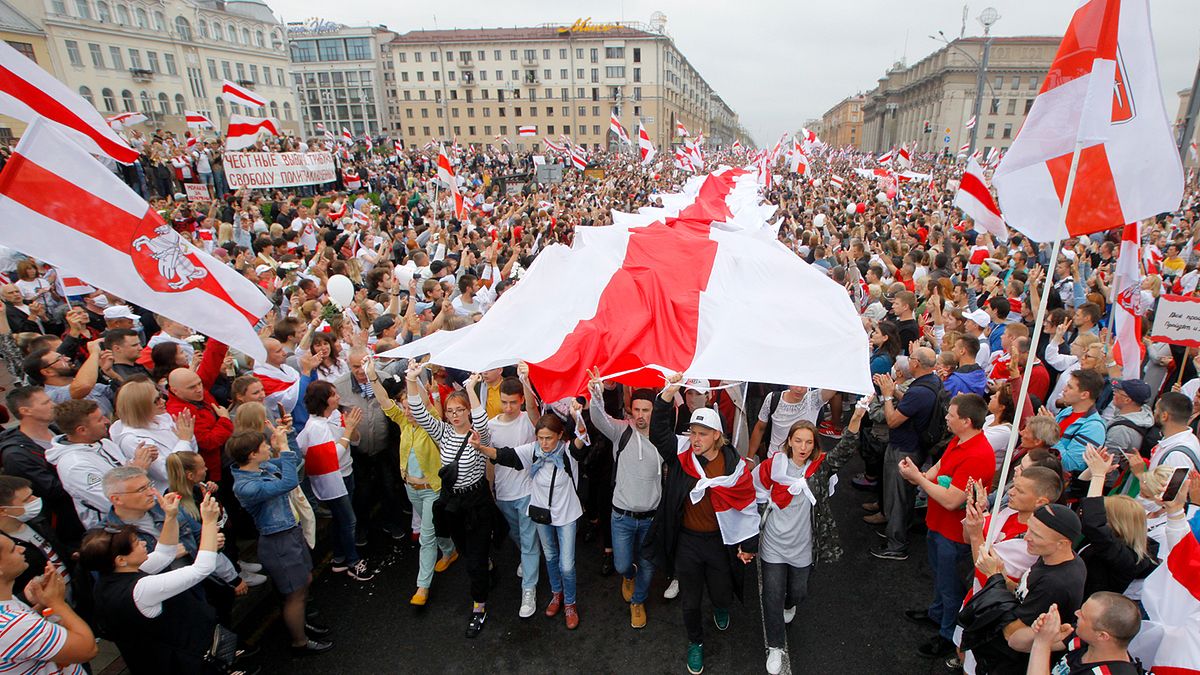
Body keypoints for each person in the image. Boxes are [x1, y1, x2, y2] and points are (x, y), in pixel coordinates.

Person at [646, 373, 758, 675]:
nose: (695, 439)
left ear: (717, 436)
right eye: (692, 432)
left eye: (702, 434)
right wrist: (668, 394)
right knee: (691, 601)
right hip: (688, 542)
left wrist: (748, 545)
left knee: (722, 592)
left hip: (720, 543)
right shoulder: (681, 454)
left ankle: (721, 606)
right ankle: (695, 642)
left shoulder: (733, 465)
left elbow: (746, 503)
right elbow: (658, 432)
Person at [754, 405, 868, 675]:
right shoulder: (773, 466)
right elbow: (755, 488)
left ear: (814, 445)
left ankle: (790, 604)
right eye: (798, 441)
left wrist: (855, 418)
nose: (803, 447)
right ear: (789, 442)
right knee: (771, 596)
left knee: (798, 591)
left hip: (803, 546)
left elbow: (844, 451)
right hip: (772, 544)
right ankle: (776, 647)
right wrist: (760, 511)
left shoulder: (820, 469)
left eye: (808, 442)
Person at [80, 490, 234, 673]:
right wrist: (208, 522)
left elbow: (164, 553)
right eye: (136, 543)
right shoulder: (140, 589)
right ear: (121, 560)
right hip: (177, 663)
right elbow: (201, 569)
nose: (144, 544)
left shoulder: (111, 578)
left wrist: (170, 516)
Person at [897, 393, 997, 657]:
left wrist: (918, 480)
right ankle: (937, 614)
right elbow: (940, 468)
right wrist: (920, 475)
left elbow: (953, 500)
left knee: (951, 588)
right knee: (942, 580)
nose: (946, 418)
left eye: (950, 415)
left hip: (953, 533)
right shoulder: (960, 440)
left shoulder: (977, 454)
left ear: (965, 421)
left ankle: (946, 635)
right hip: (939, 524)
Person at [471, 409, 589, 630]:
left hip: (567, 515)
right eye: (540, 438)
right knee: (551, 557)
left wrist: (578, 414)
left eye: (549, 438)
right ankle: (556, 595)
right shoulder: (533, 451)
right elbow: (505, 455)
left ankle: (570, 604)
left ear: (560, 435)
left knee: (566, 564)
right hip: (541, 513)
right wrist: (480, 447)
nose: (544, 443)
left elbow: (581, 438)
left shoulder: (568, 452)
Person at [404, 361, 496, 638]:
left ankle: (479, 606)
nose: (455, 415)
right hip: (455, 506)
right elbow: (419, 411)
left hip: (477, 501)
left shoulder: (479, 433)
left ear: (468, 411)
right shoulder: (442, 433)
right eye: (450, 411)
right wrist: (411, 380)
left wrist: (470, 387)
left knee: (474, 562)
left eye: (460, 410)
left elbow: (479, 415)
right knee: (467, 552)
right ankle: (484, 564)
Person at [361, 357, 455, 607]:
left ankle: (422, 587)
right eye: (404, 407)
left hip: (431, 490)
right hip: (411, 489)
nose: (407, 411)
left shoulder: (431, 423)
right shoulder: (403, 423)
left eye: (411, 407)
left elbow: (423, 400)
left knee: (426, 537)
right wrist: (371, 376)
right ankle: (450, 550)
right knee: (433, 528)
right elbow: (383, 402)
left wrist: (412, 379)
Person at [229, 428, 332, 655]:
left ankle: (300, 623)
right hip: (279, 542)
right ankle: (299, 641)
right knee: (295, 593)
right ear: (252, 455)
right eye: (263, 446)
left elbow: (293, 467)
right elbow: (288, 482)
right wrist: (283, 449)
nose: (268, 447)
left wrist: (286, 444)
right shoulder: (246, 486)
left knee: (303, 581)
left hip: (290, 533)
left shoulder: (263, 467)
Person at [975, 503, 1088, 674]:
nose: (1026, 537)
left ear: (1062, 543)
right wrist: (1002, 574)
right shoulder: (1052, 557)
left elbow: (1011, 633)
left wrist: (994, 577)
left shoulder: (1055, 584)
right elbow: (1024, 592)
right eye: (1029, 529)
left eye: (1036, 535)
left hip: (1010, 663)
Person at [588, 373, 660, 630]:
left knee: (649, 566)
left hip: (651, 518)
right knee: (621, 564)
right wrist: (596, 395)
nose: (640, 415)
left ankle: (638, 602)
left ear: (655, 411)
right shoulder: (621, 431)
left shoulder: (663, 439)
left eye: (646, 410)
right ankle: (628, 576)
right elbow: (598, 418)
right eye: (637, 409)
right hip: (621, 517)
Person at [295, 380, 373, 582]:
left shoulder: (336, 415)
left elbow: (352, 440)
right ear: (323, 401)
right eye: (333, 394)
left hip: (346, 473)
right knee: (349, 520)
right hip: (333, 481)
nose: (338, 397)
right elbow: (333, 456)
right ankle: (353, 562)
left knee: (340, 519)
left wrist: (351, 429)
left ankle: (339, 558)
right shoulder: (316, 428)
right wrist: (348, 431)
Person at [871, 347, 941, 560]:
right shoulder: (932, 383)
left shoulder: (919, 391)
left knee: (897, 496)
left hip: (904, 449)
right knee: (903, 496)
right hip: (915, 447)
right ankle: (897, 529)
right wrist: (896, 390)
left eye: (910, 358)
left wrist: (887, 397)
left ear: (916, 364)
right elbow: (911, 403)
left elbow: (892, 420)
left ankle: (896, 544)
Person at [485, 365, 542, 619]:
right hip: (504, 493)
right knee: (517, 535)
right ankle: (530, 558)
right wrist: (490, 487)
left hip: (528, 491)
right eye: (505, 402)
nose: (508, 407)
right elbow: (489, 460)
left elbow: (533, 409)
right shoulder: (491, 426)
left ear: (520, 400)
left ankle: (528, 590)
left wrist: (525, 379)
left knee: (528, 542)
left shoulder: (527, 420)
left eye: (513, 403)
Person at [0, 532, 96, 674]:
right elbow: (87, 649)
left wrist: (42, 602)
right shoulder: (14, 624)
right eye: (13, 549)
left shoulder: (8, 606)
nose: (22, 549)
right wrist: (56, 603)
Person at [0, 386, 85, 546]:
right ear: (26, 411)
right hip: (68, 526)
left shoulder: (56, 430)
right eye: (45, 402)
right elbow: (52, 490)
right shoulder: (17, 455)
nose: (53, 404)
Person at [48, 399, 152, 528]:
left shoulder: (104, 443)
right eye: (99, 419)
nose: (107, 421)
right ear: (82, 430)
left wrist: (139, 459)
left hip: (144, 514)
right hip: (121, 528)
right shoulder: (75, 466)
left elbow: (121, 470)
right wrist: (138, 470)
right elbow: (110, 502)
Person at [109, 377, 196, 492]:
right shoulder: (131, 439)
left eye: (160, 396)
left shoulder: (161, 418)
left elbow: (193, 451)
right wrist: (184, 440)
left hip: (189, 484)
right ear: (140, 406)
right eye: (156, 401)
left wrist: (187, 437)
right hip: (170, 494)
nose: (163, 401)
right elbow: (166, 472)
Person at [165, 340, 234, 483]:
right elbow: (208, 442)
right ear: (175, 390)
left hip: (224, 458)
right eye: (192, 387)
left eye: (199, 384)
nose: (199, 389)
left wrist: (220, 336)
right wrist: (224, 420)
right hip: (212, 472)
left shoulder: (196, 392)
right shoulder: (181, 413)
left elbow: (211, 363)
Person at [1025, 593, 1144, 675]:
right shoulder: (1085, 637)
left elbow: (1040, 646)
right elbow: (1016, 643)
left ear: (1102, 636)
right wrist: (1040, 631)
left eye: (1083, 615)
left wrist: (1042, 643)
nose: (1076, 613)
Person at [1052, 370, 1108, 474]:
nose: (1064, 389)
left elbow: (1070, 465)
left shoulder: (1094, 428)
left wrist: (1050, 431)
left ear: (1084, 395)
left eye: (1070, 387)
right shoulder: (1067, 411)